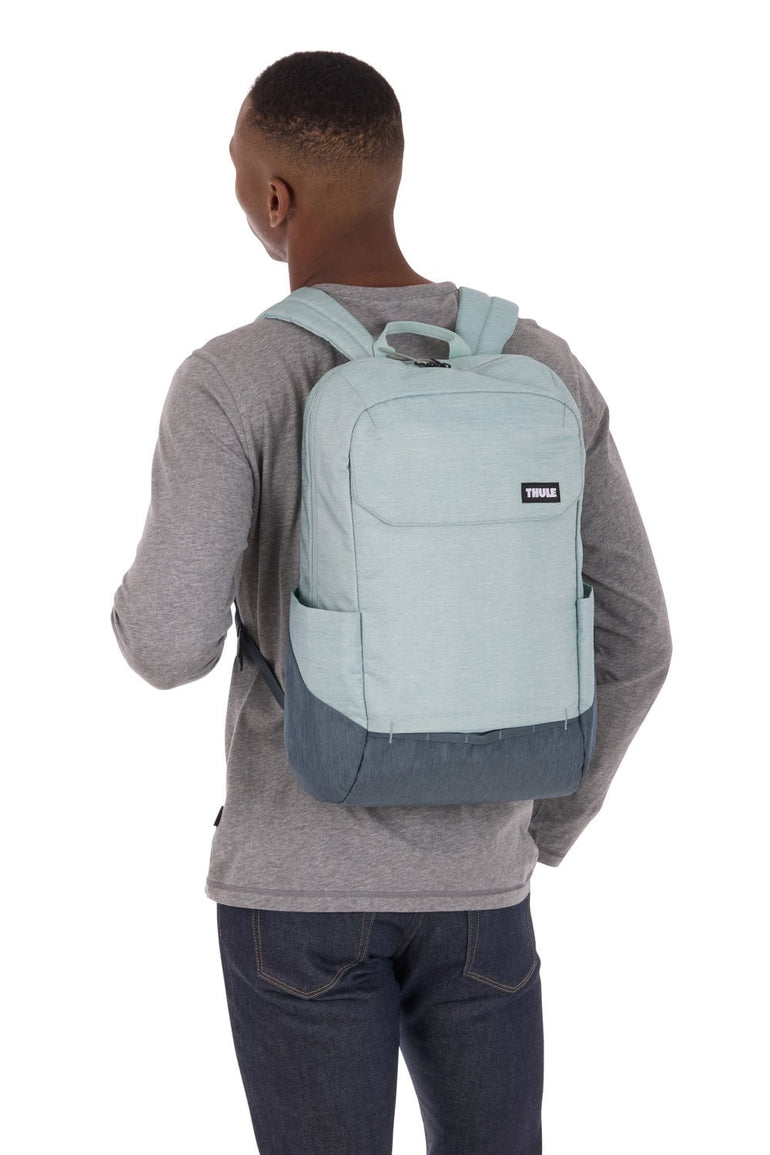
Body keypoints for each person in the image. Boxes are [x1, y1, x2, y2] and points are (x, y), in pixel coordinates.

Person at [111, 50, 672, 1155]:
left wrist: (132, 604)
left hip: (294, 897)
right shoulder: (536, 363)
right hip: (481, 888)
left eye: (236, 169)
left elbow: (167, 643)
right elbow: (639, 638)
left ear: (274, 198)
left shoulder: (232, 379)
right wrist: (540, 825)